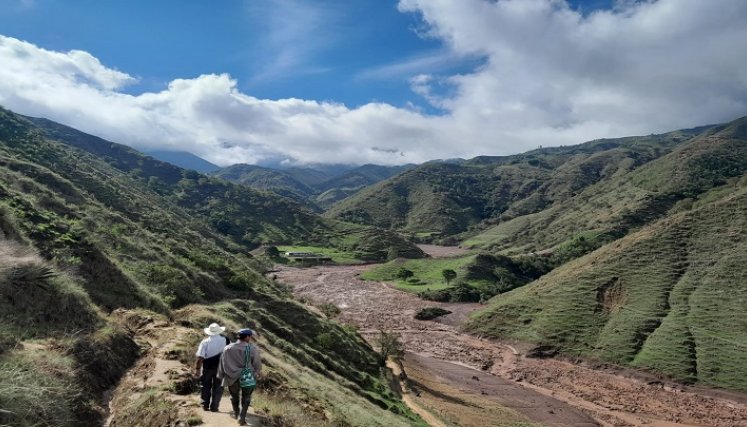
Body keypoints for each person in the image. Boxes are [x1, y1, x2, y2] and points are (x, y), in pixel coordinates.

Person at [218, 328, 262, 426]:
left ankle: (236, 413)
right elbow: (257, 364)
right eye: (250, 336)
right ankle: (242, 418)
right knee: (246, 397)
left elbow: (222, 363)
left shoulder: (227, 348)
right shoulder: (252, 349)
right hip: (248, 376)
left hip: (231, 376)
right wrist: (256, 373)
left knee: (234, 396)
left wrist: (221, 375)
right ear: (247, 337)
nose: (250, 338)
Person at [195, 323, 230, 411]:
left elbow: (200, 357)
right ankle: (214, 407)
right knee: (218, 388)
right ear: (219, 331)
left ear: (209, 332)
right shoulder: (226, 340)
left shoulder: (205, 342)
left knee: (205, 386)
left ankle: (204, 405)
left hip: (207, 368)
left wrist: (198, 369)